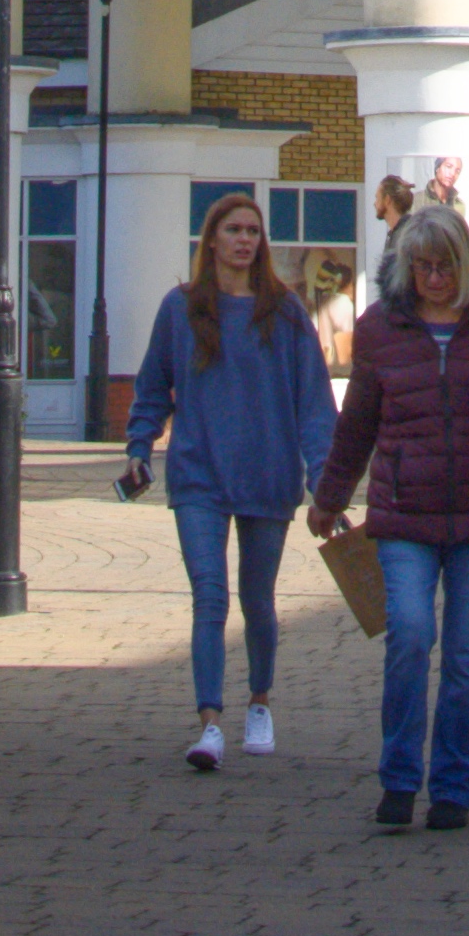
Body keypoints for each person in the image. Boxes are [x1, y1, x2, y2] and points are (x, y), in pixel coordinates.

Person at [310, 192, 469, 832]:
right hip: (403, 514)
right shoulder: (383, 327)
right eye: (423, 268)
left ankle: (454, 788)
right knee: (409, 637)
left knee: (468, 658)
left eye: (445, 267)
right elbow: (357, 424)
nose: (435, 280)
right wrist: (330, 497)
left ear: (465, 265)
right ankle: (399, 777)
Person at [122, 194, 338, 772]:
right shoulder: (181, 308)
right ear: (211, 240)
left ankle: (260, 702)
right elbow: (151, 388)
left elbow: (315, 405)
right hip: (198, 474)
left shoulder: (286, 313)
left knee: (258, 600)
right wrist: (139, 448)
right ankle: (210, 723)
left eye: (252, 231)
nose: (244, 239)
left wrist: (325, 478)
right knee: (209, 597)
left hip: (268, 475)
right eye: (233, 229)